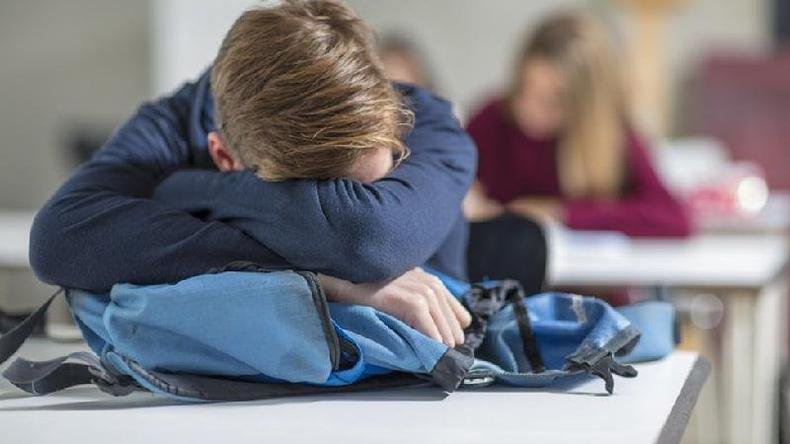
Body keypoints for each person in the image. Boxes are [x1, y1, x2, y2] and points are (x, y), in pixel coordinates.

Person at [29, 0, 474, 347]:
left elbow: (369, 238)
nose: (357, 203)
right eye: (316, 198)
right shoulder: (172, 125)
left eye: (378, 184)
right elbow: (56, 240)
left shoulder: (424, 119)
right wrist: (325, 283)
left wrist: (187, 190)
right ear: (225, 157)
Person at [464, 11, 692, 238]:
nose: (529, 109)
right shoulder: (493, 118)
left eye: (553, 100)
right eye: (524, 89)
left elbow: (672, 217)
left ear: (587, 106)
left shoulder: (611, 136)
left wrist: (561, 213)